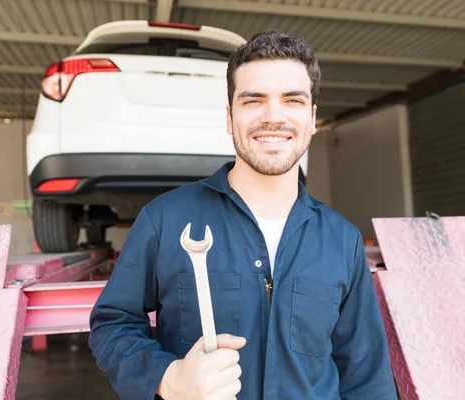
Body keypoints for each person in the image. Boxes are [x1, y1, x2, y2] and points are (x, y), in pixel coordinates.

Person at [88, 29, 398, 400]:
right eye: (254, 100)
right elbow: (112, 324)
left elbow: (366, 376)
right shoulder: (166, 219)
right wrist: (168, 377)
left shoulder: (342, 240)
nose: (273, 116)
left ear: (312, 118)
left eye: (292, 100)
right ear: (229, 116)